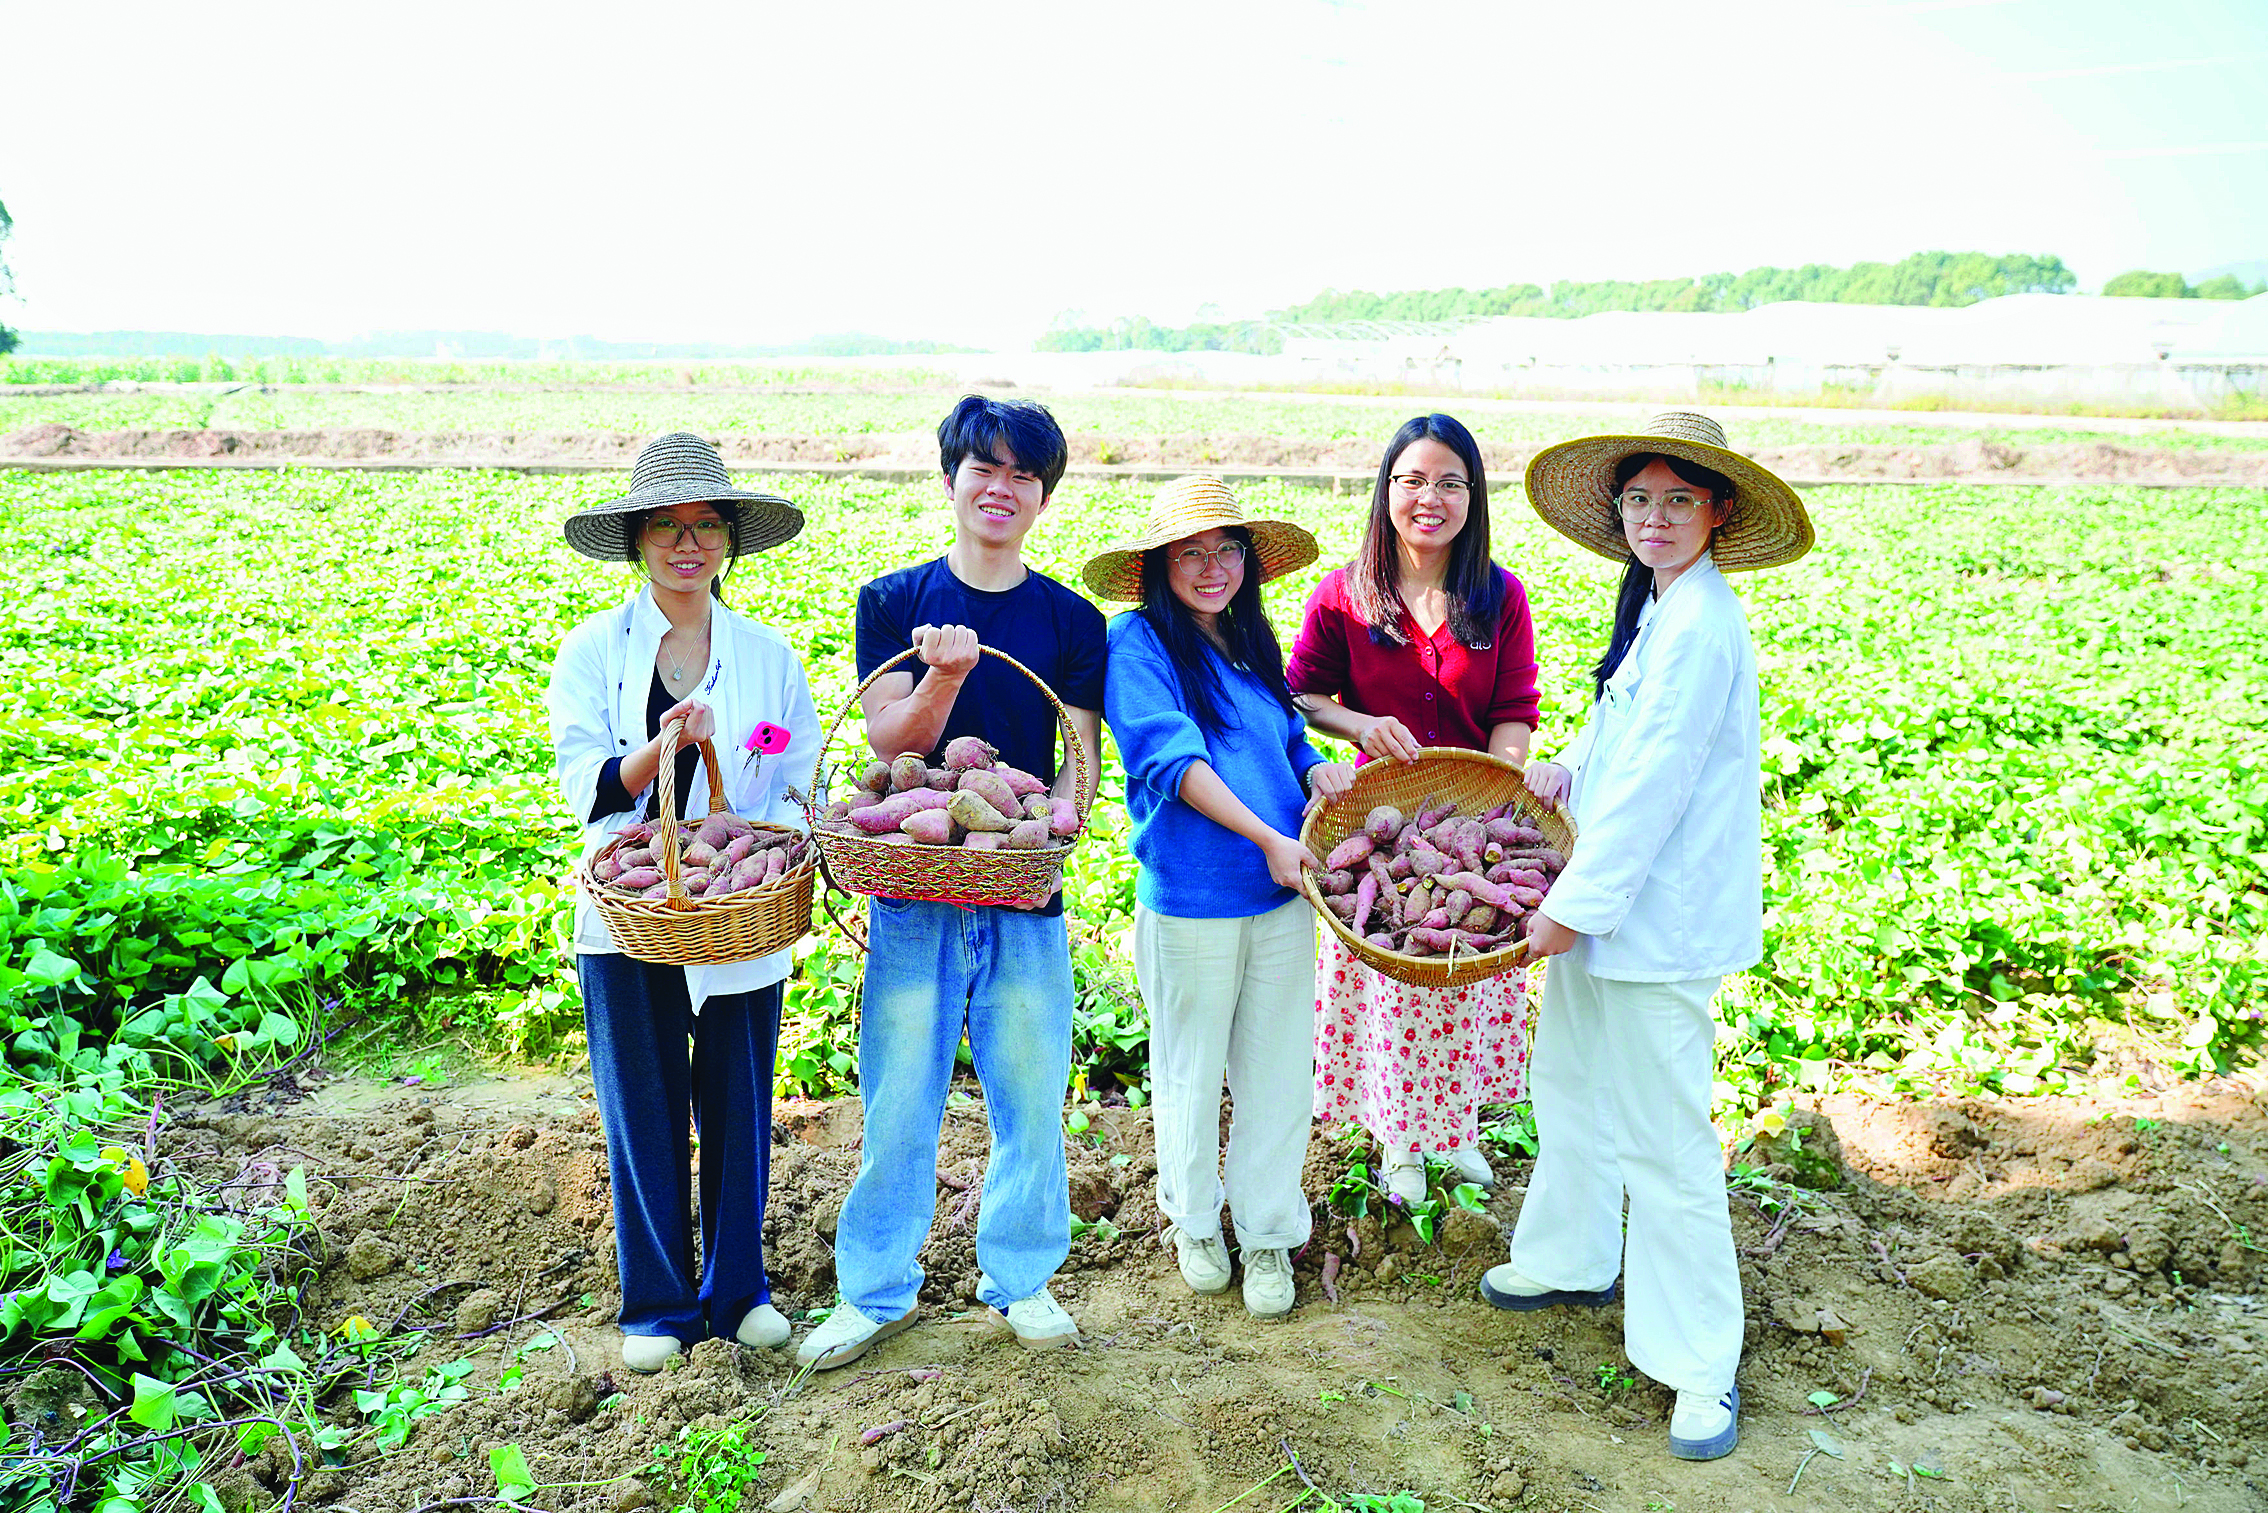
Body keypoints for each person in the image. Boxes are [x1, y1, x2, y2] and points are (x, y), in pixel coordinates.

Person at [1483, 410, 1815, 1462]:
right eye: (1640, 501)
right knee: (1572, 1090)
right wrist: (1563, 772)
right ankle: (1572, 1253)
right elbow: (1621, 750)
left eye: (1679, 500)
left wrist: (1564, 908)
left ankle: (1700, 1364)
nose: (1656, 518)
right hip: (1609, 913)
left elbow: (1661, 787)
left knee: (1667, 1145)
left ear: (1719, 513)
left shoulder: (1707, 622)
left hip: (1650, 924)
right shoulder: (1660, 612)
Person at [798, 395, 1105, 1368]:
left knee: (1030, 1096)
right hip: (914, 897)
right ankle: (875, 1291)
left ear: (1044, 495)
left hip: (1026, 896)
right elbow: (891, 741)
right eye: (985, 468)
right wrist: (941, 678)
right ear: (951, 480)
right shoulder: (893, 601)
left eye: (1023, 473)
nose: (1001, 487)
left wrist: (1055, 821)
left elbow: (1079, 755)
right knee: (898, 1101)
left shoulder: (1071, 619)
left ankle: (1021, 1278)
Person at [546, 432, 821, 1374]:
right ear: (637, 541)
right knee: (645, 1101)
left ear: (729, 540)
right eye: (666, 526)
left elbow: (792, 784)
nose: (687, 543)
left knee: (740, 1100)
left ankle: (740, 1290)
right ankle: (659, 1302)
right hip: (629, 914)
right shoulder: (592, 652)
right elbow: (588, 786)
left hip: (736, 908)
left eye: (706, 525)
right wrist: (661, 751)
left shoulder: (768, 657)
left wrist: (743, 834)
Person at [1087, 476, 1355, 1320]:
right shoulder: (1135, 644)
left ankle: (1270, 1232)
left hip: (1283, 893)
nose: (1212, 568)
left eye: (1226, 550)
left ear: (1247, 560)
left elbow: (1281, 734)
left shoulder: (1248, 640)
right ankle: (1196, 1222)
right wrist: (1267, 837)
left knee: (1278, 1072)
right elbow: (1171, 760)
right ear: (1160, 565)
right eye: (1191, 553)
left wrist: (1313, 769)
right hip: (1195, 896)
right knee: (1191, 1071)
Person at [1284, 413, 1541, 1206]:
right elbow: (1301, 693)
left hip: (1468, 823)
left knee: (1464, 958)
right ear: (1387, 490)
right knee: (1396, 964)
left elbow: (1515, 707)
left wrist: (1498, 795)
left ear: (1473, 496)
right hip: (1382, 824)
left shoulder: (1499, 595)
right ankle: (1400, 1138)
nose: (1430, 498)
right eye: (1412, 480)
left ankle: (1455, 1129)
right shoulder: (1344, 596)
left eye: (1450, 482)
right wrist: (1359, 726)